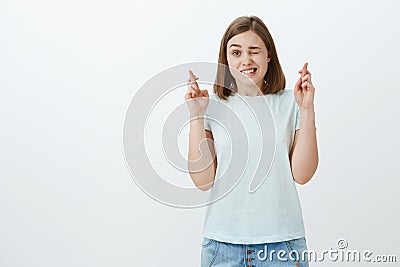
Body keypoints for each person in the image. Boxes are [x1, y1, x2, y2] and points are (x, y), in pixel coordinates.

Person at [185, 15, 318, 267]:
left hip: (283, 245)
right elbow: (203, 181)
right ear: (226, 60)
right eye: (236, 53)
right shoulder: (211, 106)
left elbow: (302, 174)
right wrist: (196, 114)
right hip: (221, 246)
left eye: (254, 51)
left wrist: (308, 109)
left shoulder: (292, 102)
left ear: (269, 54)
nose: (245, 60)